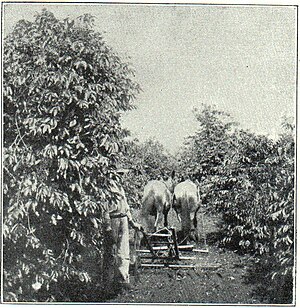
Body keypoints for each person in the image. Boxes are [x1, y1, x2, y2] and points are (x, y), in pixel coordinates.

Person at [102, 169, 143, 296]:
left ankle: (123, 281)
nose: (120, 177)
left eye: (121, 175)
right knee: (111, 252)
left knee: (124, 251)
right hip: (113, 219)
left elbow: (126, 207)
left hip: (123, 219)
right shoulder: (107, 188)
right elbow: (104, 210)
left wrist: (132, 222)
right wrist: (107, 226)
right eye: (118, 174)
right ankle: (108, 285)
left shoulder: (121, 188)